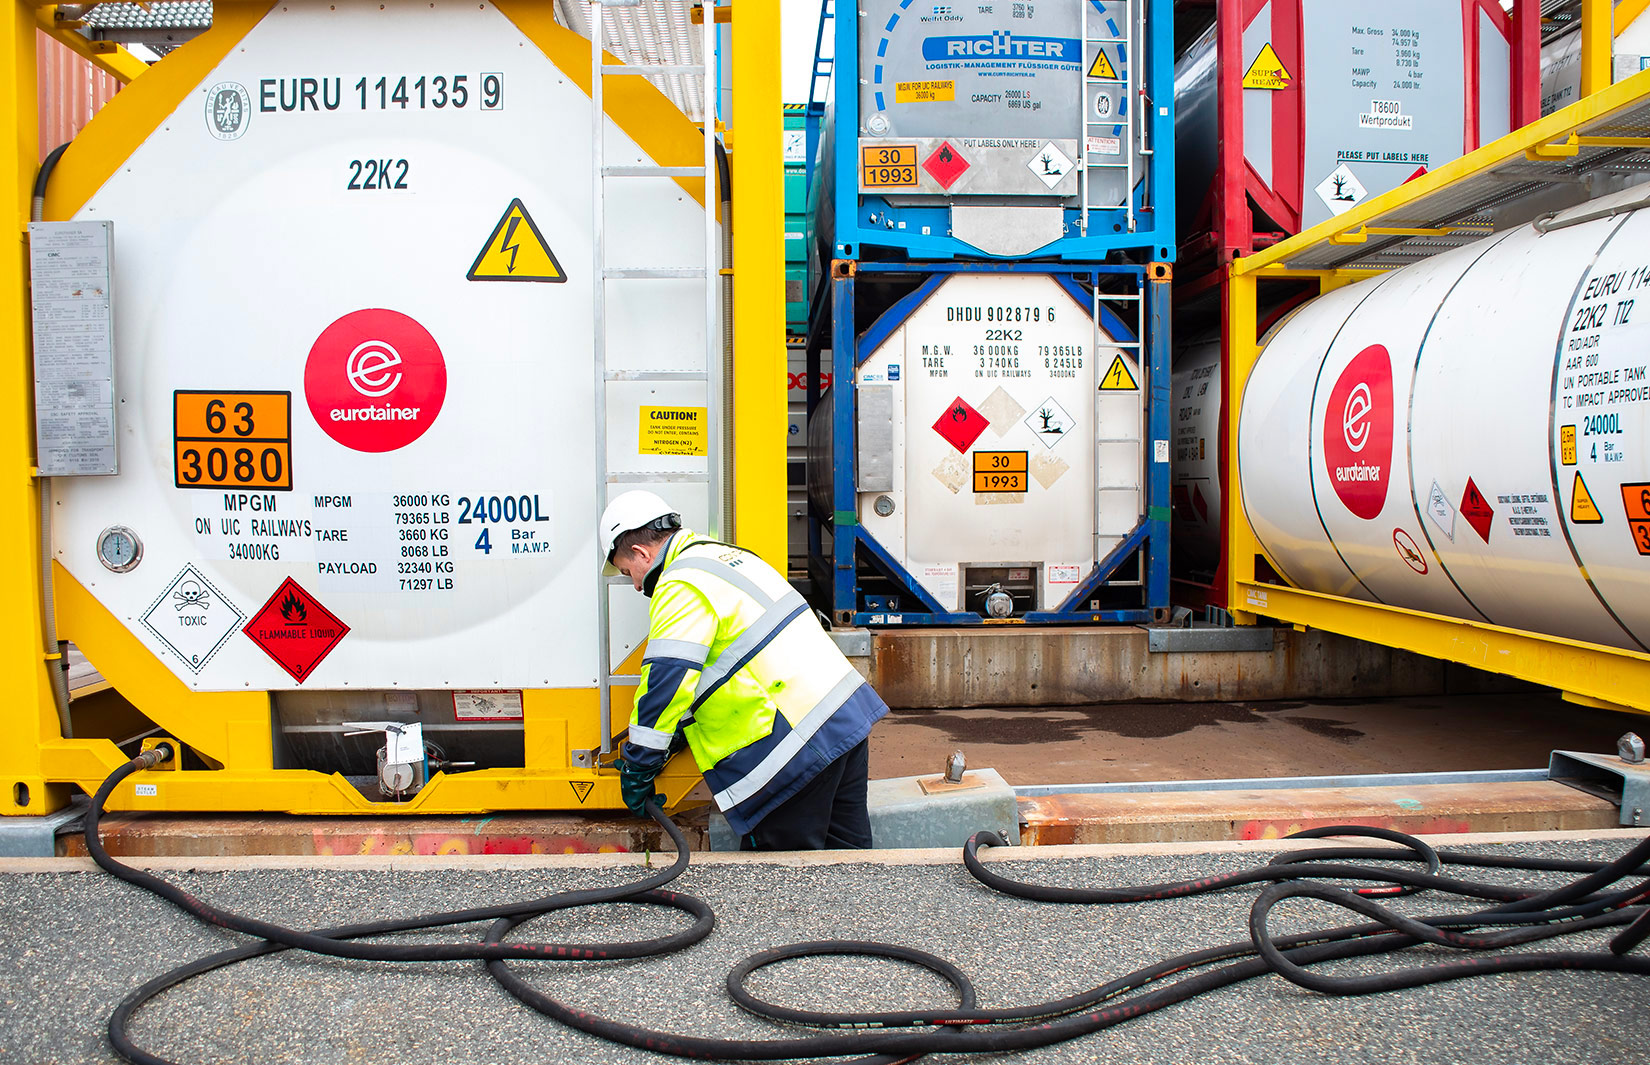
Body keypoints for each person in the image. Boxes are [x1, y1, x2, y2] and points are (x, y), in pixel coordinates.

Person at [599, 490, 887, 850]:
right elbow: (734, 661)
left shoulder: (681, 582)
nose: (638, 585)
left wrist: (640, 763)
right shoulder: (728, 557)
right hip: (842, 719)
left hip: (793, 752)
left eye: (629, 572)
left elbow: (667, 679)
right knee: (849, 864)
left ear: (642, 553)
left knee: (782, 880)